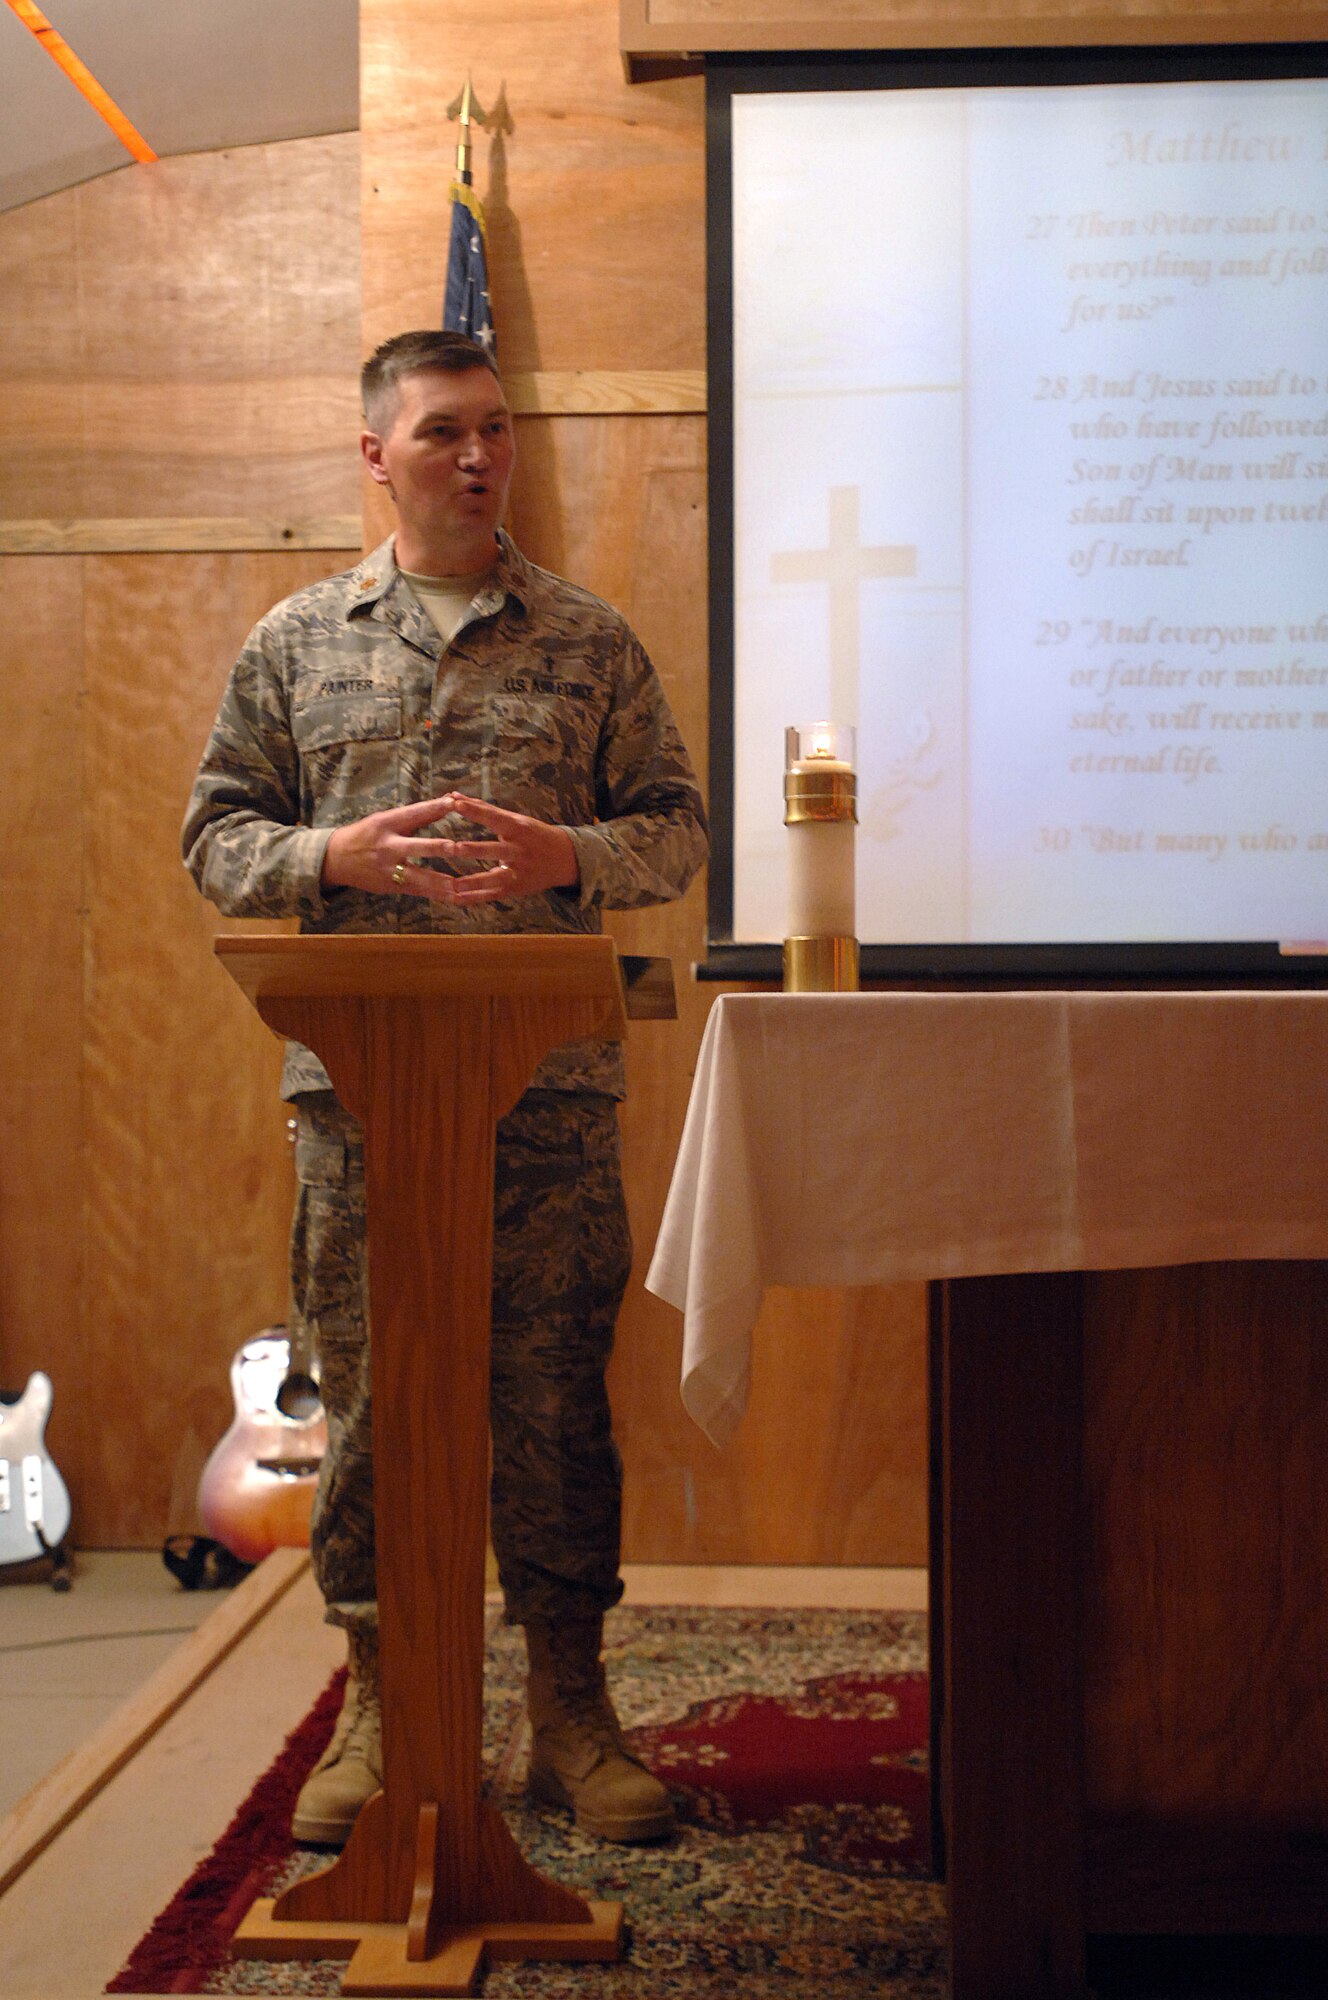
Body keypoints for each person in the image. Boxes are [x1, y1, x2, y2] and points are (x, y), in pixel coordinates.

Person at [182, 328, 707, 1848]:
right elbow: (216, 836)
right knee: (372, 1412)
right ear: (375, 456)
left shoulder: (589, 640)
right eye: (440, 434)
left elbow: (674, 828)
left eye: (495, 429)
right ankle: (380, 1705)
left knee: (549, 1410)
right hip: (362, 1110)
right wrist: (324, 859)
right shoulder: (295, 642)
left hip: (544, 1104)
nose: (477, 456)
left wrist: (575, 860)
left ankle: (568, 1714)